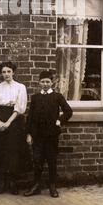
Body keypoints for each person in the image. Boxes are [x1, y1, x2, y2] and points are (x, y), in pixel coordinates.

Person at [24, 70, 73, 198]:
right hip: (38, 136)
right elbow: (30, 117)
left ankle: (52, 186)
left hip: (51, 135)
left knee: (51, 160)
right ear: (39, 83)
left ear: (52, 83)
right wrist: (29, 134)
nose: (45, 84)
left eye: (48, 82)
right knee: (37, 161)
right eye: (43, 82)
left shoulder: (57, 96)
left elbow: (68, 111)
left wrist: (59, 120)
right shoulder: (35, 98)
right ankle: (36, 186)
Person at [0, 61, 28, 195]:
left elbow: (20, 107)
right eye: (3, 72)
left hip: (14, 120)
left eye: (9, 71)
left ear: (13, 72)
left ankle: (12, 181)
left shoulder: (20, 87)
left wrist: (8, 122)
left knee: (13, 149)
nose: (6, 74)